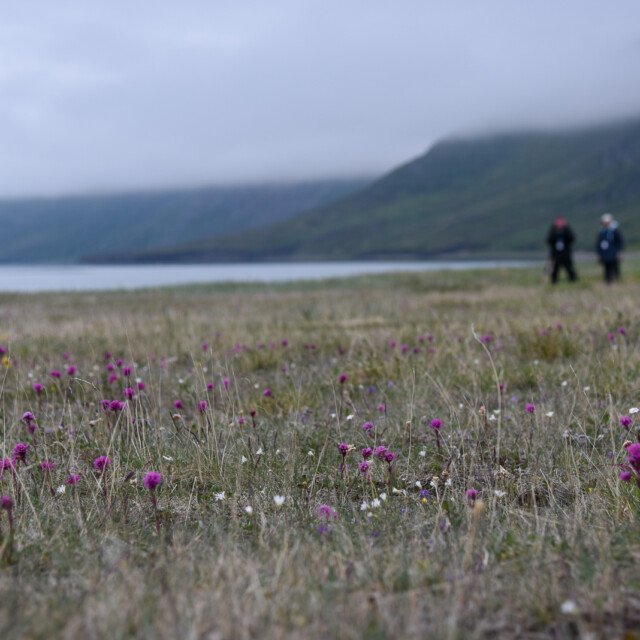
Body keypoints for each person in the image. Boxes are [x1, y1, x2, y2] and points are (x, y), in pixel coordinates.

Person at [546, 216, 577, 283]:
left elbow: (571, 239)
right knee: (555, 268)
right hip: (556, 253)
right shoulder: (553, 230)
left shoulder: (567, 229)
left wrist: (564, 231)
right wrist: (556, 233)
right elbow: (549, 240)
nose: (559, 225)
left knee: (569, 267)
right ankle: (554, 281)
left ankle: (573, 280)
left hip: (565, 252)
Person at [596, 213, 623, 283]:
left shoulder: (615, 231)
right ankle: (608, 281)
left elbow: (619, 242)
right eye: (605, 222)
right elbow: (598, 243)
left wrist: (618, 252)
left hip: (613, 252)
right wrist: (599, 253)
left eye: (607, 222)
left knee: (614, 266)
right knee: (606, 267)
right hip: (605, 253)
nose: (606, 223)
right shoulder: (602, 231)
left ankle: (616, 280)